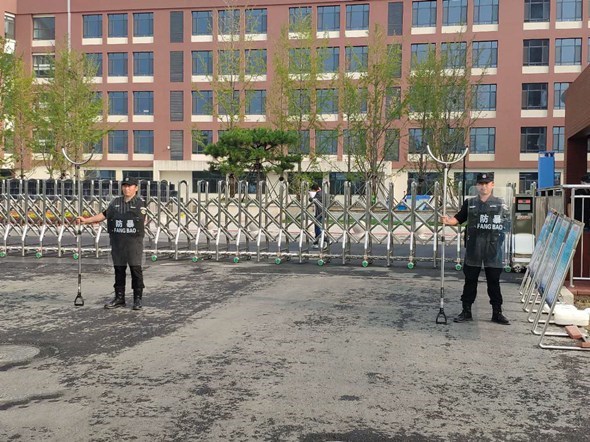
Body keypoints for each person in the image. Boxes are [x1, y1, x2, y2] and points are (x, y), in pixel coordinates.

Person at [441, 172, 510, 325]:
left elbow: (507, 223)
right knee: (470, 280)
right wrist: (447, 220)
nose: (483, 187)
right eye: (481, 184)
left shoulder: (500, 203)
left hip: (493, 248)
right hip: (474, 247)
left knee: (494, 281)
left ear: (492, 185)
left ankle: (497, 312)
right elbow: (458, 218)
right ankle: (466, 311)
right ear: (477, 186)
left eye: (487, 183)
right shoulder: (470, 203)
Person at [76, 176, 147, 310]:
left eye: (129, 186)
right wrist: (87, 220)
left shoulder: (140, 203)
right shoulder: (115, 202)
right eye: (124, 186)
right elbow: (104, 215)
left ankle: (137, 299)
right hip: (117, 242)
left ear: (136, 188)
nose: (126, 188)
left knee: (135, 270)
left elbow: (141, 219)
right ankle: (119, 298)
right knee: (119, 270)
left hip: (133, 243)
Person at [309, 183, 328, 249]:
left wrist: (310, 196)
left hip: (319, 213)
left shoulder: (319, 194)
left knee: (318, 228)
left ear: (314, 189)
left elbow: (312, 200)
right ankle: (316, 242)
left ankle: (326, 239)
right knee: (317, 228)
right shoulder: (322, 192)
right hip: (321, 212)